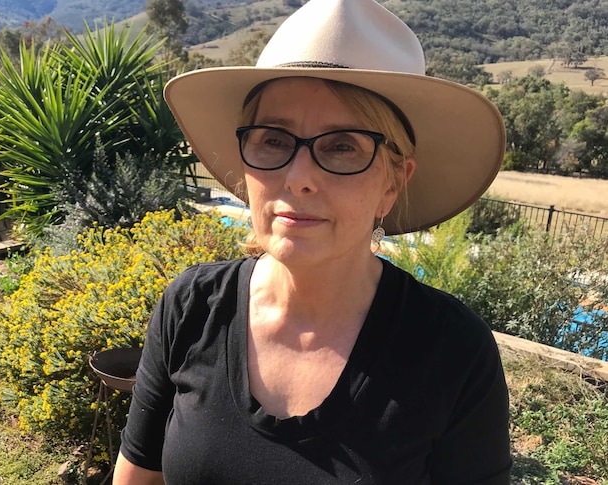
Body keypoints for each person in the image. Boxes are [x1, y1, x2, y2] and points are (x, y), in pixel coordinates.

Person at [113, 0, 512, 483]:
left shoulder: (452, 352)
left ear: (392, 183)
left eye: (343, 145)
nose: (298, 178)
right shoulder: (191, 305)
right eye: (274, 140)